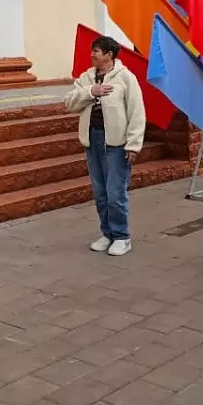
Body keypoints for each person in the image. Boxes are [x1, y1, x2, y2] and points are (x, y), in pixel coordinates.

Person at [64, 36, 146, 257]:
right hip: (93, 140)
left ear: (110, 55)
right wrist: (91, 92)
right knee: (100, 192)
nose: (92, 55)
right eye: (92, 51)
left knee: (115, 192)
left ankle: (122, 236)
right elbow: (70, 102)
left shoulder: (125, 78)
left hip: (117, 144)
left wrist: (133, 144)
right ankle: (107, 233)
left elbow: (137, 112)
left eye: (97, 51)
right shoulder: (86, 78)